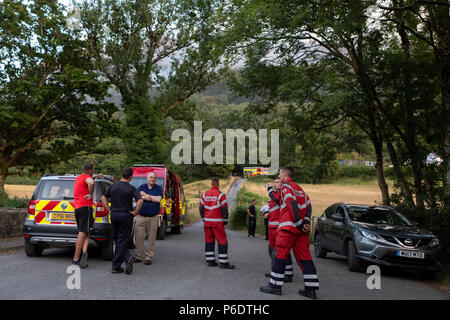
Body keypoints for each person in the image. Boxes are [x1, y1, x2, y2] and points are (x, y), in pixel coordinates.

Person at [260, 166, 319, 299]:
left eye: (280, 173)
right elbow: (308, 205)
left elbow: (291, 203)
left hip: (288, 228)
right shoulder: (300, 189)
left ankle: (275, 286)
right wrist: (305, 222)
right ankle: (311, 289)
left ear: (285, 174)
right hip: (301, 231)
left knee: (280, 256)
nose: (279, 175)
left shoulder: (287, 187)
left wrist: (298, 223)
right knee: (305, 258)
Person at [101, 168, 143, 274]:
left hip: (114, 214)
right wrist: (136, 212)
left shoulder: (113, 186)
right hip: (126, 215)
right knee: (122, 239)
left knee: (117, 239)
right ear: (130, 177)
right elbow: (140, 201)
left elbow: (103, 198)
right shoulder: (131, 188)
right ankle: (120, 263)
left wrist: (109, 210)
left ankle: (121, 262)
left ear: (121, 175)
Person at [199, 177, 235, 269]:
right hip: (217, 223)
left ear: (211, 184)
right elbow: (224, 209)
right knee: (222, 241)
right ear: (218, 184)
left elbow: (201, 208)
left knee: (209, 241)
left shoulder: (204, 194)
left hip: (207, 223)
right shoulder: (220, 195)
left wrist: (204, 219)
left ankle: (210, 261)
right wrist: (225, 221)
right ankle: (223, 262)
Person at [72, 163, 103, 268]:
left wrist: (97, 176)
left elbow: (90, 178)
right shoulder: (87, 178)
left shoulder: (79, 178)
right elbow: (91, 182)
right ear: (91, 170)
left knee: (86, 232)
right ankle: (76, 259)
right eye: (93, 170)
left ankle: (84, 252)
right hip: (86, 207)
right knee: (82, 232)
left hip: (77, 208)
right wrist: (90, 194)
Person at [264, 178, 294, 282]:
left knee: (281, 251)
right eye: (274, 182)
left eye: (277, 182)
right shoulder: (275, 195)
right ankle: (275, 271)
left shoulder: (281, 194)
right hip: (271, 228)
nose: (274, 184)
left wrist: (269, 189)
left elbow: (276, 199)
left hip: (278, 228)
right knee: (272, 251)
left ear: (282, 184)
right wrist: (266, 213)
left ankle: (287, 274)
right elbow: (271, 208)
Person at [135, 171, 163, 265]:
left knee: (151, 238)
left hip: (153, 217)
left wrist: (146, 196)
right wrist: (151, 198)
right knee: (139, 237)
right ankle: (138, 256)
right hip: (140, 216)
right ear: (147, 178)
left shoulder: (158, 188)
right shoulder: (141, 187)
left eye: (154, 178)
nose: (152, 179)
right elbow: (135, 198)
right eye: (151, 177)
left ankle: (148, 257)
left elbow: (158, 199)